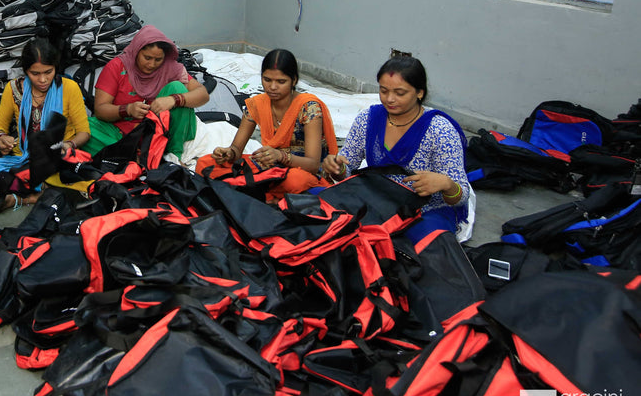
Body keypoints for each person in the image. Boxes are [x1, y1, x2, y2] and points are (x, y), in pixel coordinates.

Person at [320, 55, 472, 241]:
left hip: (424, 210)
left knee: (424, 243)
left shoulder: (440, 131)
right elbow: (347, 169)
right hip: (377, 199)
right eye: (383, 91)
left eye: (400, 93)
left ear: (419, 93)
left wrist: (446, 184)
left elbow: (461, 195)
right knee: (320, 209)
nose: (390, 99)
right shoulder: (368, 119)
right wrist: (337, 168)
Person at [0, 38, 90, 214]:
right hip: (23, 159)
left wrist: (68, 144)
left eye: (48, 72)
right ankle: (43, 192)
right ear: (26, 71)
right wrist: (2, 138)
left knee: (72, 173)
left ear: (56, 67)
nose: (43, 79)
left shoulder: (69, 88)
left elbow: (84, 132)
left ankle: (24, 196)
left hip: (57, 160)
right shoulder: (13, 89)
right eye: (35, 73)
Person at [204, 48, 337, 199]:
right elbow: (236, 149)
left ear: (294, 80)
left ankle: (252, 191)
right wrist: (228, 153)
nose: (272, 87)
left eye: (281, 81)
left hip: (302, 172)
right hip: (271, 167)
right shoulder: (257, 104)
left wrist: (281, 156)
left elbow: (313, 165)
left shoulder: (309, 108)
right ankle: (263, 193)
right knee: (206, 163)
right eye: (267, 80)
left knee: (294, 181)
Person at [87, 25, 209, 157]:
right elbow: (100, 109)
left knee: (177, 88)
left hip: (159, 134)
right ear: (136, 51)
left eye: (158, 60)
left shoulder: (170, 69)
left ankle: (173, 155)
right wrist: (127, 110)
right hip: (119, 132)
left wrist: (173, 100)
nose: (152, 64)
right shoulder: (117, 67)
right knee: (84, 128)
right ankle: (135, 155)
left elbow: (202, 94)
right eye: (147, 58)